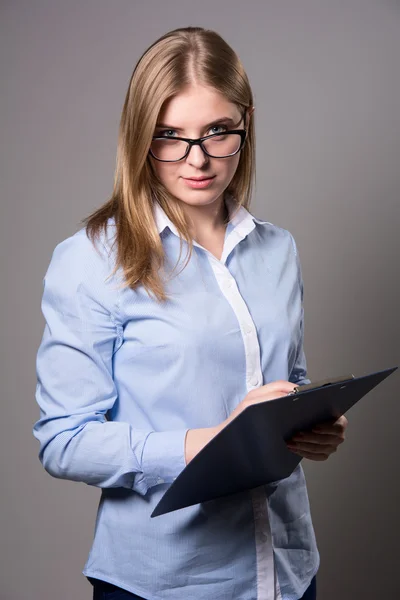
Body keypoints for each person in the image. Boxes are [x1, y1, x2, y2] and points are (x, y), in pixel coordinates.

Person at [32, 26, 348, 600]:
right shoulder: (90, 260)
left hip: (286, 572)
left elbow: (286, 384)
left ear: (246, 123)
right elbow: (63, 439)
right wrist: (204, 442)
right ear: (139, 138)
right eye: (169, 136)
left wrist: (313, 423)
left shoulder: (278, 250)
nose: (196, 160)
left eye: (218, 132)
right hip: (164, 584)